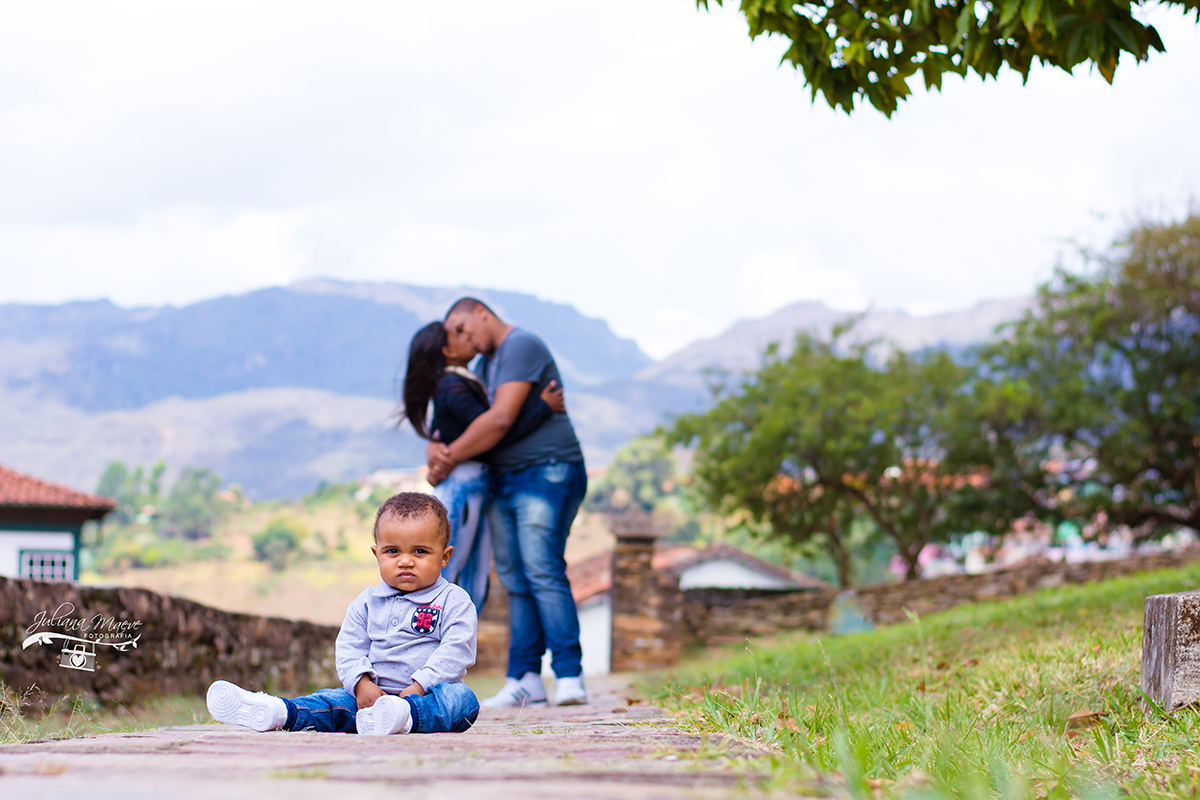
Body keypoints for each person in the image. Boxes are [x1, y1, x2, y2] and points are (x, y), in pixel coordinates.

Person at [204, 493, 480, 735]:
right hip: (371, 698)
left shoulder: (452, 600)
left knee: (462, 700)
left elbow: (457, 649)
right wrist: (361, 684)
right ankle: (279, 712)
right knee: (330, 702)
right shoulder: (367, 603)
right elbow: (348, 647)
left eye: (420, 552)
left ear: (444, 557)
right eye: (392, 551)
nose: (405, 560)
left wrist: (421, 685)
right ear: (377, 554)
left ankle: (404, 716)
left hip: (427, 696)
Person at [427, 298, 588, 708]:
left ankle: (569, 674)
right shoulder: (481, 368)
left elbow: (498, 422)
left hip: (546, 471)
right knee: (515, 580)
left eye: (463, 328)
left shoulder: (521, 346)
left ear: (481, 312)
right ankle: (524, 677)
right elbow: (479, 424)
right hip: (504, 478)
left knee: (542, 569)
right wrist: (437, 446)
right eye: (455, 337)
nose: (464, 339)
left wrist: (450, 457)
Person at [400, 321, 565, 609]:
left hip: (471, 485)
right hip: (468, 485)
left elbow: (448, 432)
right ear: (448, 351)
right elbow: (496, 433)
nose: (469, 337)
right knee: (454, 574)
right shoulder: (454, 387)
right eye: (459, 335)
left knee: (466, 575)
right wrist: (542, 408)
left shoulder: (459, 382)